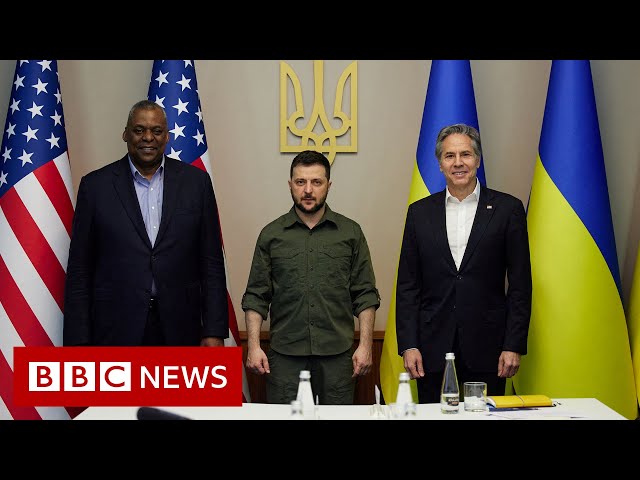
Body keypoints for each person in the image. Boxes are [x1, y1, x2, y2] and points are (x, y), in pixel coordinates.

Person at [63, 100, 228, 347]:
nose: (148, 137)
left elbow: (211, 262)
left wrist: (214, 331)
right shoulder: (95, 187)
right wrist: (78, 340)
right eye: (139, 130)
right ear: (125, 134)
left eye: (156, 131)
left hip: (181, 328)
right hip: (115, 330)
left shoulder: (197, 184)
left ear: (167, 136)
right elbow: (80, 269)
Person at [396, 123, 532, 403]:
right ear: (440, 164)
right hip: (431, 349)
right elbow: (408, 286)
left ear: (478, 160)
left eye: (465, 154)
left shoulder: (508, 210)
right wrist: (409, 344)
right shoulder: (419, 213)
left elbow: (520, 285)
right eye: (450, 156)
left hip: (489, 348)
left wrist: (513, 344)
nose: (458, 162)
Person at [242, 150, 380, 405]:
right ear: (290, 185)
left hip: (338, 355)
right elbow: (256, 296)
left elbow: (365, 294)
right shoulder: (271, 235)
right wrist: (253, 346)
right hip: (285, 356)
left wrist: (365, 346)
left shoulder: (350, 233)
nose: (308, 190)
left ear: (328, 185)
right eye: (300, 182)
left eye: (316, 182)